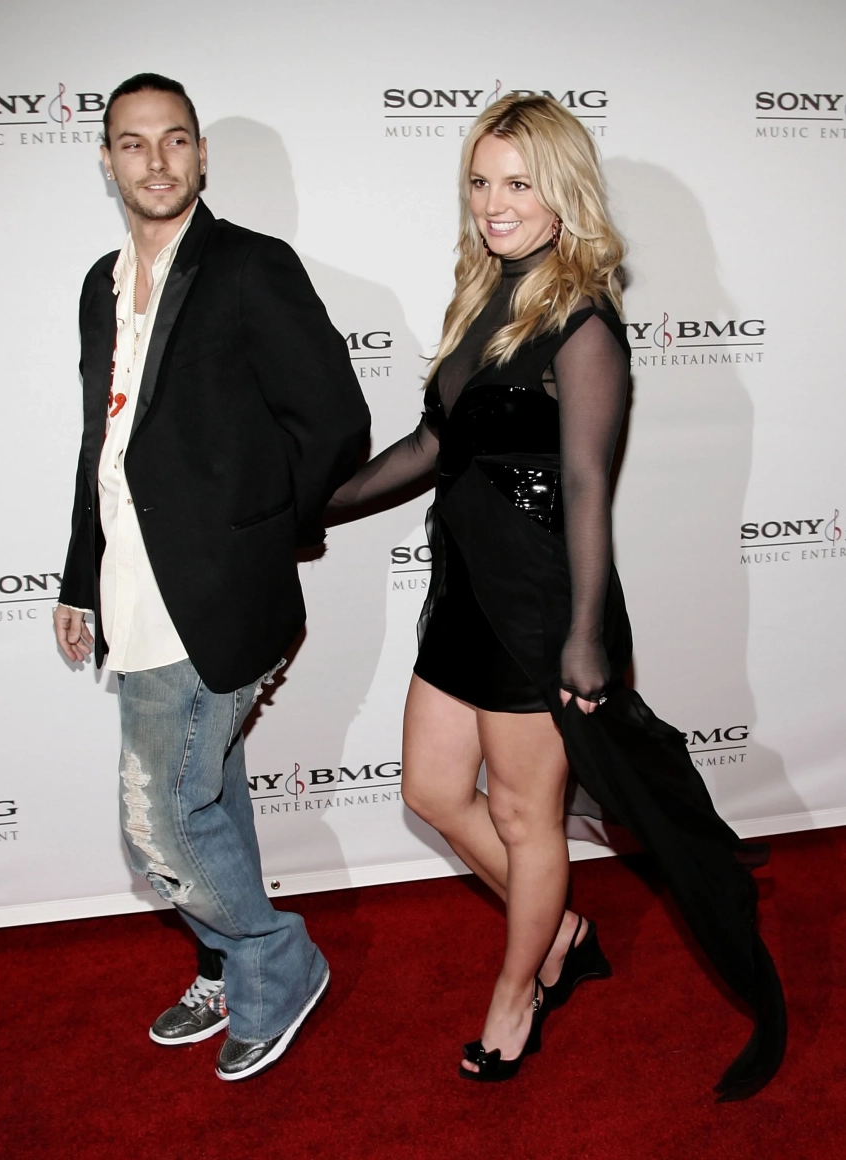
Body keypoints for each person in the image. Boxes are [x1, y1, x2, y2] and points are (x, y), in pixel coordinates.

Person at [329, 94, 786, 1099]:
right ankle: (564, 931)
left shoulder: (582, 323)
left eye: (519, 183)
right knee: (431, 791)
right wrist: (315, 507)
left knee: (525, 818)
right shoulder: (479, 300)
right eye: (480, 181)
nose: (495, 203)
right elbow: (433, 445)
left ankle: (517, 993)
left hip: (540, 607)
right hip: (464, 592)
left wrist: (584, 637)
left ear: (563, 191)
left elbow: (586, 482)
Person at [53, 73, 370, 1082]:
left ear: (200, 154)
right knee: (208, 794)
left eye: (175, 139)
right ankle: (227, 962)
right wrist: (79, 576)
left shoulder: (249, 266)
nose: (156, 160)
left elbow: (336, 423)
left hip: (215, 596)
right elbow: (103, 447)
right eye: (133, 142)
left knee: (160, 823)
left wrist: (260, 537)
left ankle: (276, 962)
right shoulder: (99, 284)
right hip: (131, 589)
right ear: (107, 159)